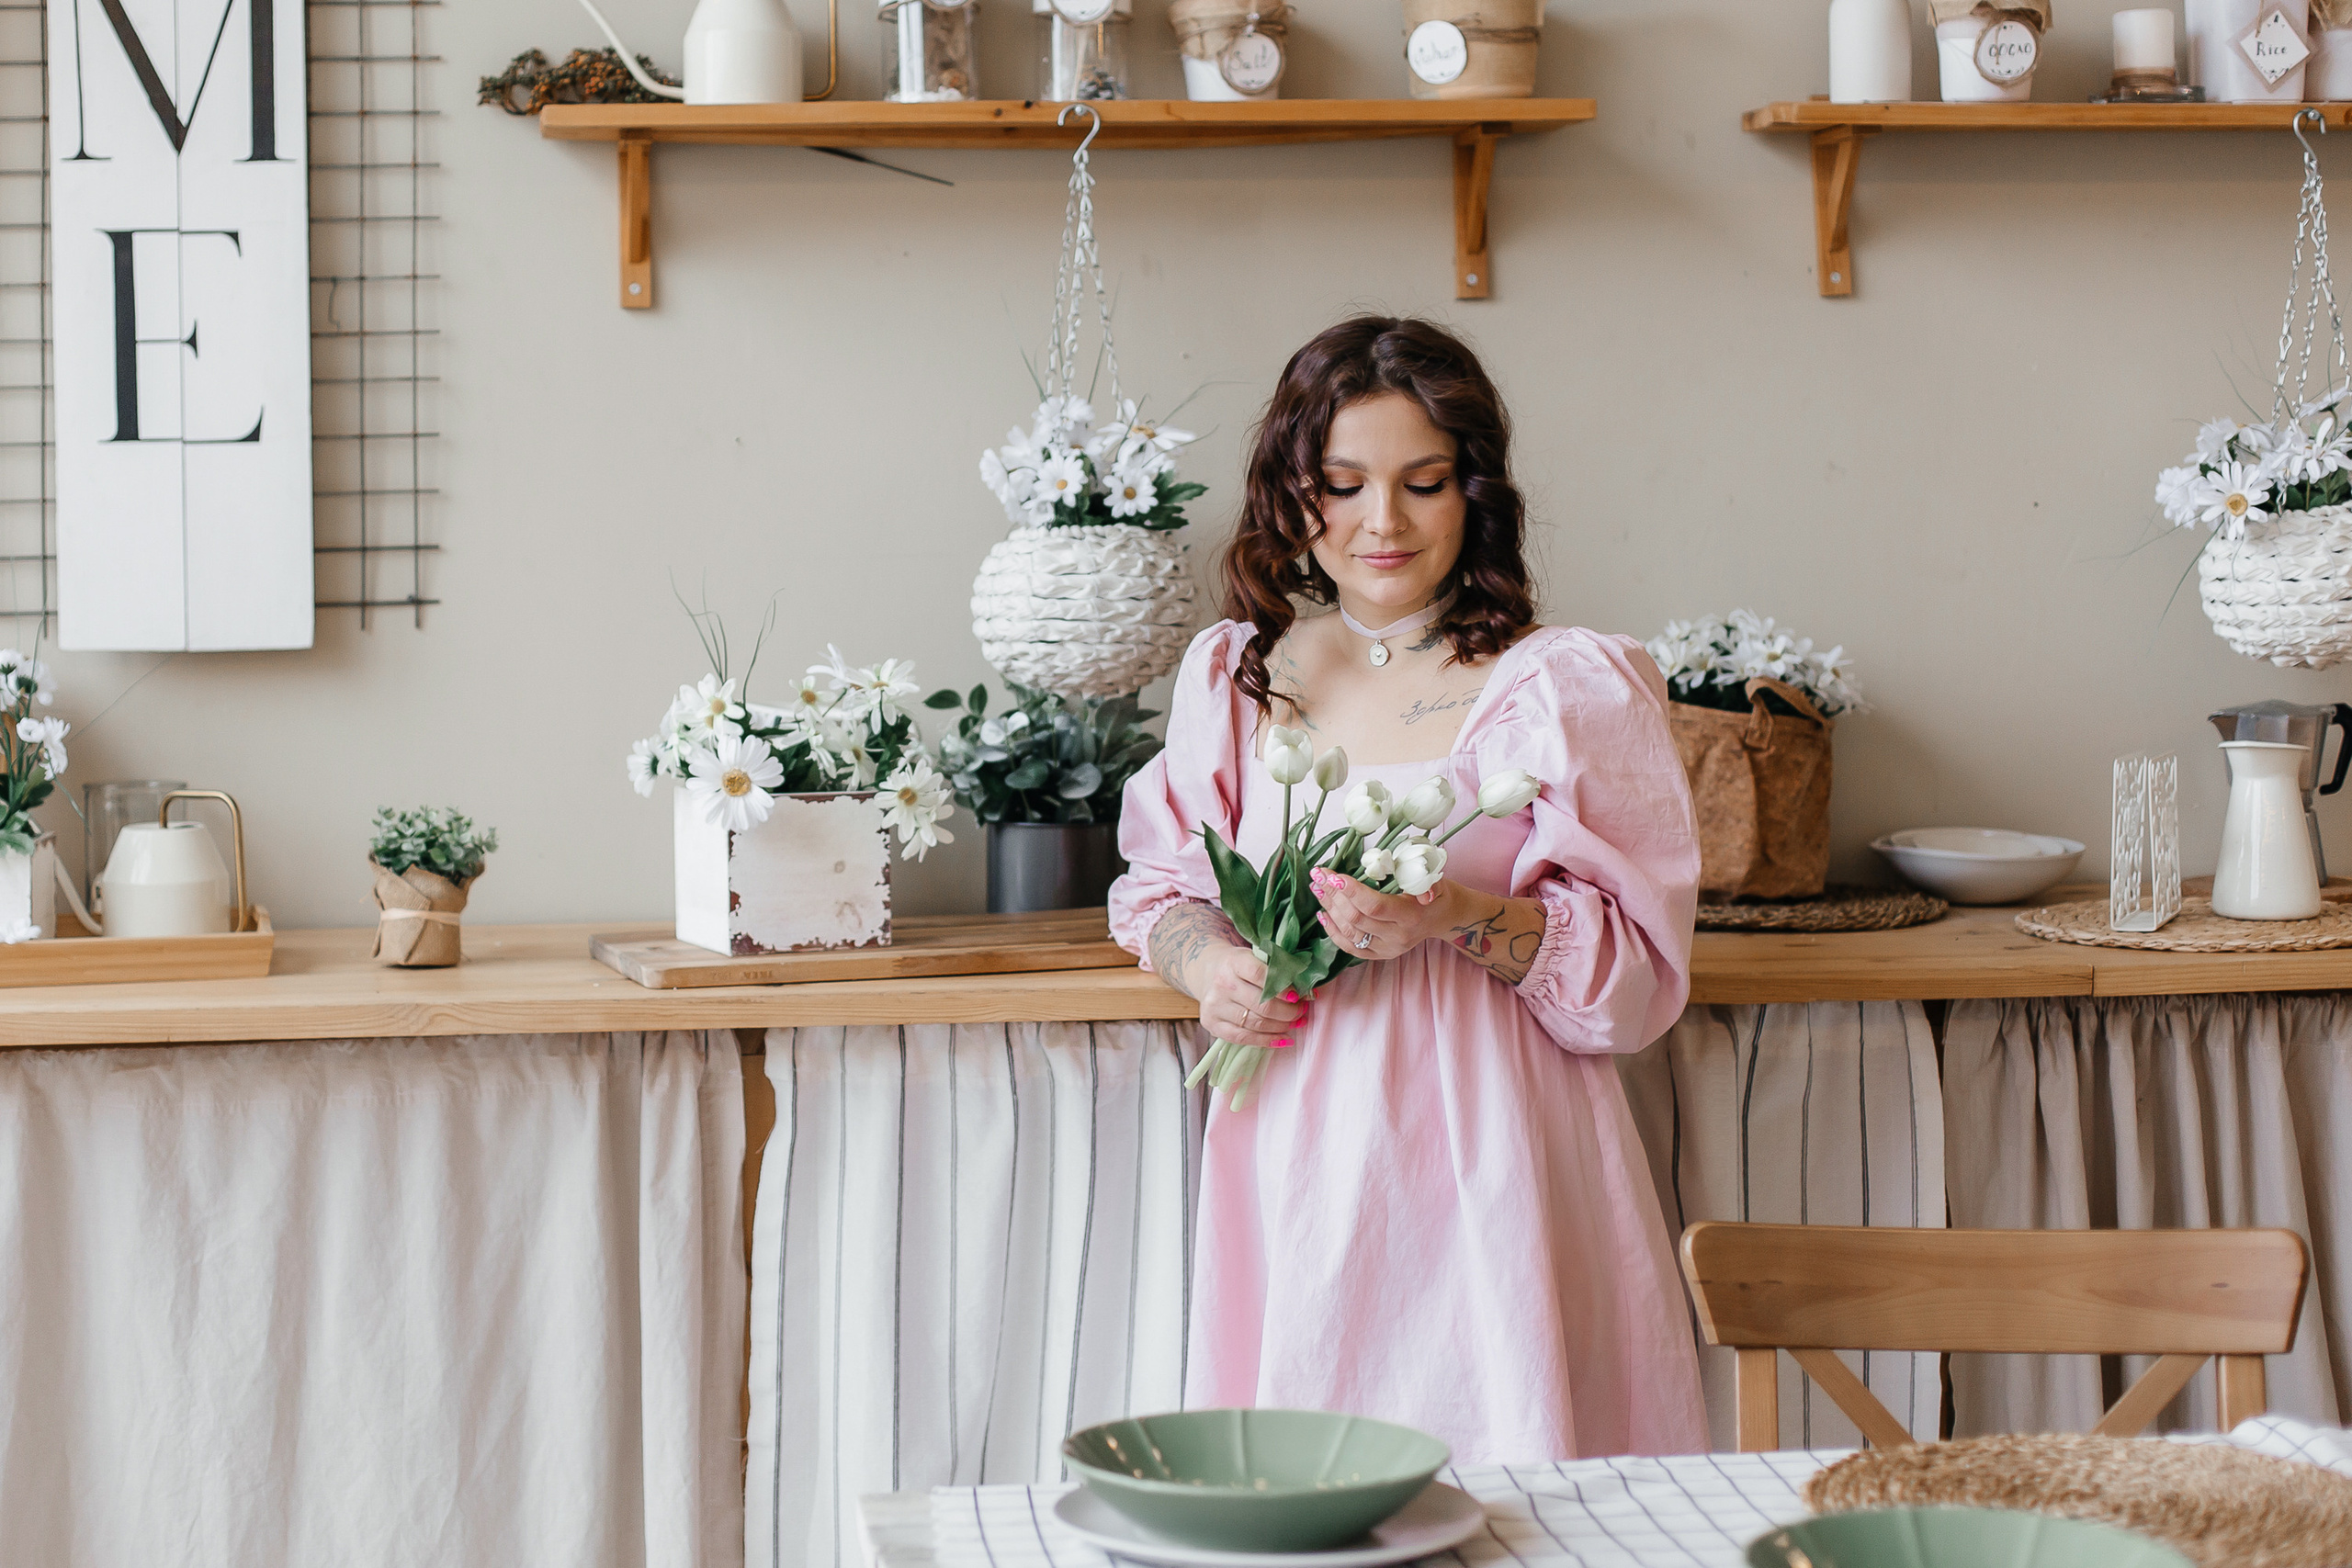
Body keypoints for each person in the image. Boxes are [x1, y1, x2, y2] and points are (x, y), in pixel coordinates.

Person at [1107, 316, 1706, 1461]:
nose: (1380, 523)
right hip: (1297, 1137)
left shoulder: (1561, 685)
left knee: (1509, 1463)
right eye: (1342, 484)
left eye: (1422, 483)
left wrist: (1458, 916)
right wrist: (1212, 967)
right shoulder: (1237, 675)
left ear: (1473, 494)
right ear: (1294, 497)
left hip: (1500, 1147)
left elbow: (1637, 988)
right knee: (1306, 1470)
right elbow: (1163, 884)